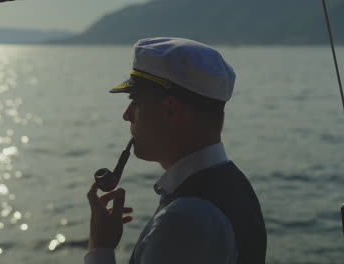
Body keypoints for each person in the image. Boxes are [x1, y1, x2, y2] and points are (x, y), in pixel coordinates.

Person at [85, 37, 267, 264]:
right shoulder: (234, 184)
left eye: (135, 102)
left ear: (170, 109)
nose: (127, 115)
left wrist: (99, 248)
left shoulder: (185, 219)